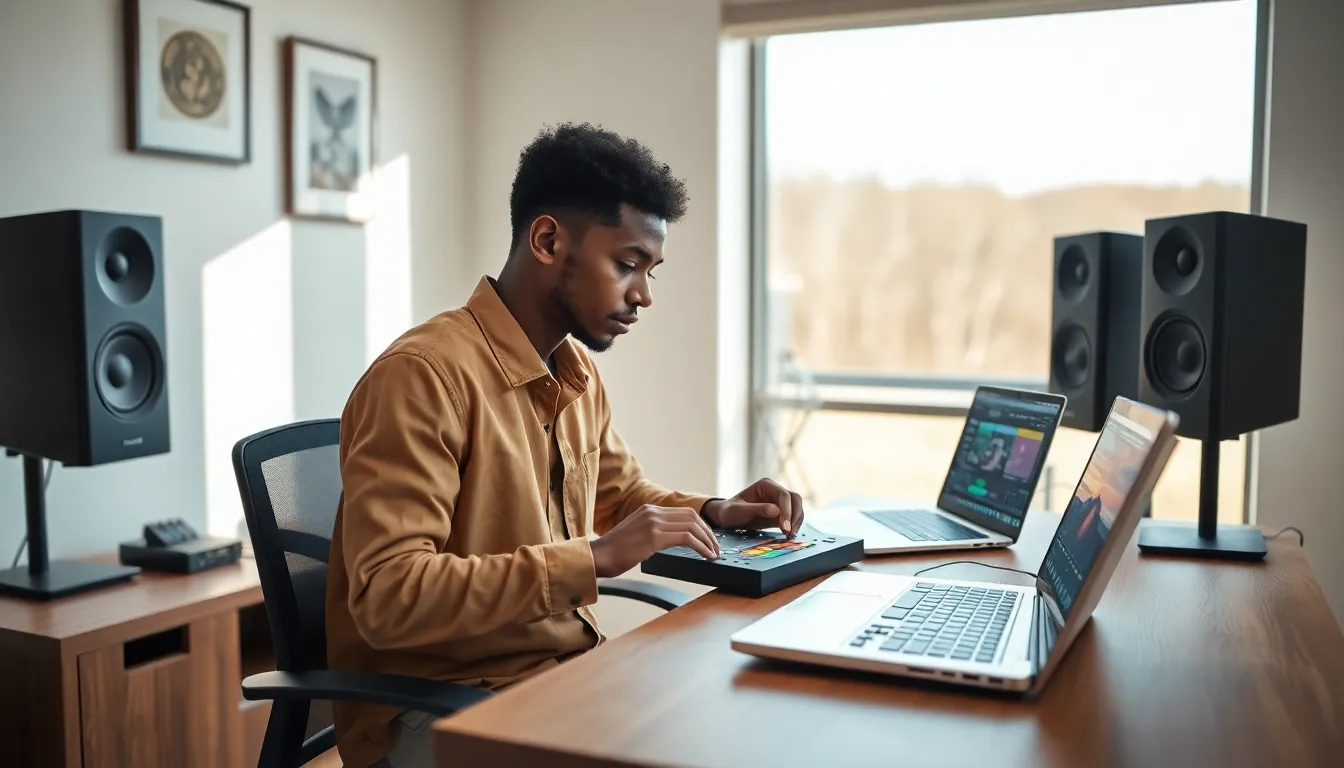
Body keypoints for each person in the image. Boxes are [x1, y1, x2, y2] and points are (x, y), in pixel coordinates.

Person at [326, 122, 806, 768]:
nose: (643, 295)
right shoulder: (422, 377)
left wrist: (716, 509)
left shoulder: (574, 374)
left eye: (650, 271)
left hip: (558, 679)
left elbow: (623, 496)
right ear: (548, 239)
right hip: (437, 708)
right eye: (628, 264)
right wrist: (595, 558)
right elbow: (391, 594)